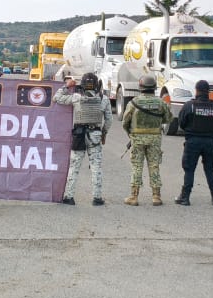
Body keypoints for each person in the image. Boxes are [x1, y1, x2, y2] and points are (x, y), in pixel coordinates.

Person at [55, 72, 114, 205]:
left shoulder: (76, 97)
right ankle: (97, 198)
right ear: (96, 84)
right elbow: (109, 120)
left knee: (74, 167)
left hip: (79, 135)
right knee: (96, 167)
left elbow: (57, 98)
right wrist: (103, 133)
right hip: (95, 135)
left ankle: (69, 197)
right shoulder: (104, 99)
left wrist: (67, 86)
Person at [121, 75, 168, 206]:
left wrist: (131, 134)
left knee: (137, 166)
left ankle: (134, 197)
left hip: (137, 138)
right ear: (154, 88)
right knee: (154, 166)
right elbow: (168, 118)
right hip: (155, 138)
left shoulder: (133, 103)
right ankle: (156, 196)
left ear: (140, 87)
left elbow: (125, 122)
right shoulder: (161, 103)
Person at [176, 79, 213, 206]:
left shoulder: (189, 105)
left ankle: (185, 197)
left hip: (193, 141)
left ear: (196, 91)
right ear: (208, 91)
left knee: (189, 169)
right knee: (209, 170)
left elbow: (181, 123)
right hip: (210, 142)